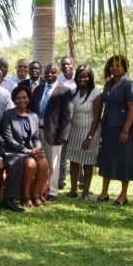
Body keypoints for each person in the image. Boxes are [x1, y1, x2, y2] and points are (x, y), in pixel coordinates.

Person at [95, 55, 133, 206]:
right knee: (106, 159)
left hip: (122, 128)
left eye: (118, 65)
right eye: (112, 65)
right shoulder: (108, 84)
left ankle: (123, 195)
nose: (115, 68)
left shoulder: (129, 84)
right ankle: (104, 192)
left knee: (123, 161)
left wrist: (125, 130)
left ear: (125, 68)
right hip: (108, 127)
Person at [28, 64, 74, 201]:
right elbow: (31, 109)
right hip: (37, 132)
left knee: (53, 164)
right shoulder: (38, 89)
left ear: (57, 73)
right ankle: (39, 188)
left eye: (53, 73)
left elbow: (67, 116)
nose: (49, 75)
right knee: (38, 162)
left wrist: (63, 135)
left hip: (54, 134)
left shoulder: (65, 91)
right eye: (47, 73)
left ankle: (52, 191)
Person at [3, 86, 49, 208]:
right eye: (18, 98)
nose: (22, 100)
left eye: (24, 97)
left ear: (29, 99)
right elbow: (9, 139)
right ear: (14, 99)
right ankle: (25, 196)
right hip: (13, 151)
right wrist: (27, 151)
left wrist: (37, 150)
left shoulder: (33, 115)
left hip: (31, 151)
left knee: (43, 162)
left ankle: (36, 196)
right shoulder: (8, 115)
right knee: (31, 164)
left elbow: (36, 137)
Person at [65, 64, 102, 200]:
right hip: (75, 130)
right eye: (80, 76)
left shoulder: (96, 93)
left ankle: (85, 192)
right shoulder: (73, 92)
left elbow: (97, 117)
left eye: (85, 76)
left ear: (90, 77)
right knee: (74, 161)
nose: (82, 79)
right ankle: (73, 190)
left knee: (87, 162)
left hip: (90, 131)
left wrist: (90, 137)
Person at [57, 56, 76, 190]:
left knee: (78, 156)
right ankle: (61, 181)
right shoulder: (58, 80)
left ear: (73, 65)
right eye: (63, 64)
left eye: (68, 64)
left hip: (77, 123)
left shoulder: (80, 79)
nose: (66, 66)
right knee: (61, 157)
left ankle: (81, 182)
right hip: (62, 123)